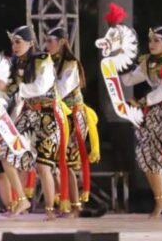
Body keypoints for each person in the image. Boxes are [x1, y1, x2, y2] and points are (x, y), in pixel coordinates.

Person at [0, 25, 67, 220]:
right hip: (28, 114)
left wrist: (12, 88)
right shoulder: (15, 64)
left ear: (31, 43)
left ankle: (50, 209)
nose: (14, 46)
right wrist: (7, 126)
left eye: (18, 42)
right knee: (6, 155)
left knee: (43, 166)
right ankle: (22, 200)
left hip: (48, 116)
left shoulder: (43, 60)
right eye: (13, 42)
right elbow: (15, 98)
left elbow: (40, 87)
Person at [121, 24, 162, 218]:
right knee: (146, 154)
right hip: (155, 113)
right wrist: (122, 61)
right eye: (150, 40)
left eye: (157, 41)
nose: (152, 44)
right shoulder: (148, 62)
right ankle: (160, 198)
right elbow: (128, 80)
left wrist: (142, 101)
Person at [45, 27, 100, 217]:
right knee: (52, 163)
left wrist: (42, 95)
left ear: (61, 42)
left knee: (66, 163)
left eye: (50, 41)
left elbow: (61, 90)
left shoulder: (71, 64)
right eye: (46, 40)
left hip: (72, 117)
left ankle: (75, 207)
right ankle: (66, 204)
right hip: (57, 115)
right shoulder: (48, 62)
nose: (47, 44)